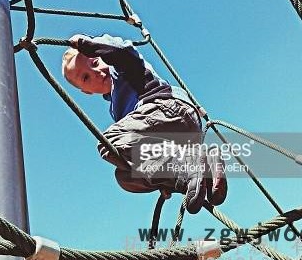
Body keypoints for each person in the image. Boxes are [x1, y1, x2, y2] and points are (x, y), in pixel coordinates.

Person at [62, 33, 227, 213]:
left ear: (101, 56)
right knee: (124, 176)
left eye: (95, 63)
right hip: (175, 136)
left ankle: (187, 166)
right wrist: (159, 179)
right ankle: (192, 176)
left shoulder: (121, 69)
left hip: (168, 110)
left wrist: (88, 44)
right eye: (86, 78)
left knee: (109, 142)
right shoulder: (116, 109)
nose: (96, 73)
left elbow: (122, 50)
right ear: (86, 91)